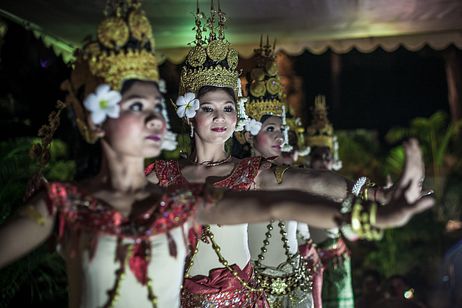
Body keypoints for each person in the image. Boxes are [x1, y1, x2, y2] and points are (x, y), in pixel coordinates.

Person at [146, 3, 432, 307]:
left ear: (237, 117)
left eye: (228, 108)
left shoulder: (250, 173)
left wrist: (374, 196)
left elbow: (312, 182)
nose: (220, 117)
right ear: (189, 114)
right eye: (208, 109)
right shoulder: (161, 175)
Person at [236, 37, 320, 308]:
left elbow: (303, 230)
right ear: (249, 136)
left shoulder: (293, 176)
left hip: (296, 289)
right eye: (270, 129)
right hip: (254, 292)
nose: (280, 137)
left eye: (281, 130)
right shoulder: (237, 181)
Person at [305, 96, 355, 308]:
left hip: (336, 262)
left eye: (327, 156)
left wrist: (347, 221)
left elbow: (354, 233)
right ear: (308, 158)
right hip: (308, 259)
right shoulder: (299, 187)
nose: (323, 161)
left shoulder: (342, 188)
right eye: (318, 156)